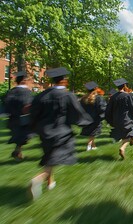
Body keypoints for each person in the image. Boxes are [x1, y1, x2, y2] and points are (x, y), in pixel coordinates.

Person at [28, 67, 93, 200]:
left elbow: (34, 113)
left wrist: (35, 128)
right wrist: (86, 122)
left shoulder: (42, 95)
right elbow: (76, 112)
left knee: (50, 157)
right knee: (56, 157)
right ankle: (38, 179)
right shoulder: (67, 95)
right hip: (61, 133)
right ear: (63, 80)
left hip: (45, 132)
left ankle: (50, 183)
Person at [105, 78, 133, 159]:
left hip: (116, 120)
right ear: (124, 86)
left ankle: (131, 141)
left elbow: (108, 109)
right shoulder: (127, 96)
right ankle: (122, 148)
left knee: (124, 134)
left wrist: (110, 120)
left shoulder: (113, 97)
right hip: (126, 119)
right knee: (131, 132)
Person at [3, 71, 34, 160]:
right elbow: (28, 105)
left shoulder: (11, 91)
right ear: (24, 80)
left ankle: (18, 153)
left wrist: (13, 113)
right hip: (24, 119)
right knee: (25, 136)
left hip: (13, 119)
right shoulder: (26, 92)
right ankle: (17, 153)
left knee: (20, 137)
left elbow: (7, 105)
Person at [80, 81, 107, 151]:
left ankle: (93, 146)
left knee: (91, 134)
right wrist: (102, 116)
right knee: (92, 133)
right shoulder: (98, 98)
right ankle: (89, 145)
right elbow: (102, 108)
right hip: (95, 119)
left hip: (86, 119)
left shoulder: (83, 98)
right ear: (95, 88)